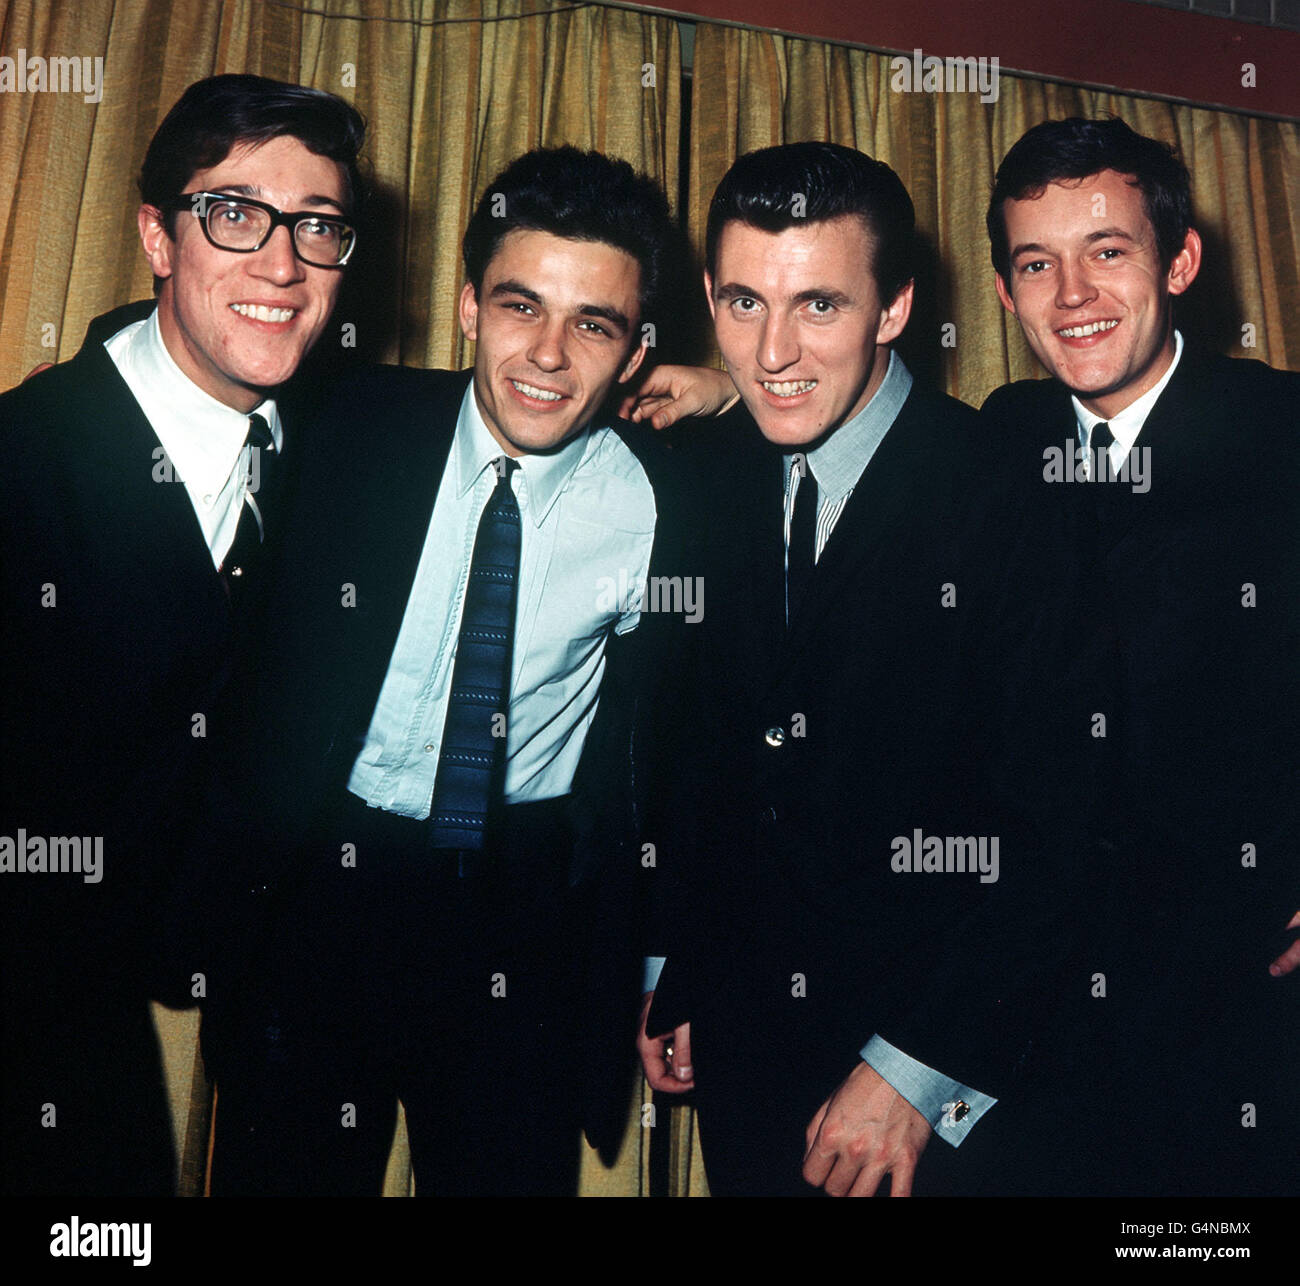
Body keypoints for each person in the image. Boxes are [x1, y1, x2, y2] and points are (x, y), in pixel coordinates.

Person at [203, 146, 682, 1197]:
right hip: (320, 889)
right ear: (468, 305)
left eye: (593, 324)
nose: (548, 355)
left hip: (522, 908)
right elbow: (165, 355)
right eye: (520, 305)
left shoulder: (672, 503)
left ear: (638, 349)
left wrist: (735, 381)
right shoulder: (343, 423)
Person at [636, 141, 1096, 1197]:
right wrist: (671, 960)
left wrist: (913, 1069)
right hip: (745, 1057)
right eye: (744, 302)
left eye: (820, 307)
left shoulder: (1011, 492)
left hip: (952, 1088)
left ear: (892, 309)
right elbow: (682, 747)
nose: (773, 350)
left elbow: (1064, 822)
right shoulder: (699, 471)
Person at [0, 73, 365, 1196]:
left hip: (138, 1004)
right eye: (235, 213)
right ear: (159, 235)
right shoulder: (27, 459)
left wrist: (728, 395)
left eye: (318, 226)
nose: (282, 263)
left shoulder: (331, 447)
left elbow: (530, 390)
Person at [980, 115, 1299, 1195]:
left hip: (1245, 1006)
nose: (1071, 294)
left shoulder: (1282, 428)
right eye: (1038, 262)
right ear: (1004, 290)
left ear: (1180, 259)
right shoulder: (1003, 432)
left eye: (1106, 250)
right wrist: (728, 396)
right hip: (1039, 1013)